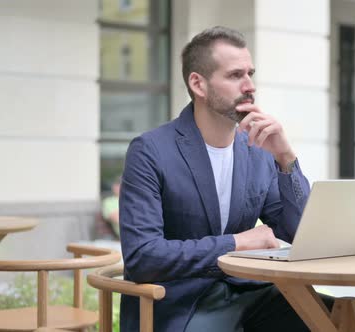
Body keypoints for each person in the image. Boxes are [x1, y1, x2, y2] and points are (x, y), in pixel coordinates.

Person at [119, 26, 333, 331]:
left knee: (338, 317)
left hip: (247, 292)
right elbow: (143, 256)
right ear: (199, 84)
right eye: (235, 75)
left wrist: (286, 159)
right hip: (178, 303)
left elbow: (299, 232)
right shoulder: (150, 150)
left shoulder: (258, 150)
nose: (249, 86)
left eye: (250, 74)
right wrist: (235, 243)